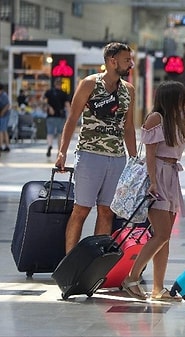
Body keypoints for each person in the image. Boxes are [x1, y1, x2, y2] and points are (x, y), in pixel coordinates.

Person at [55, 42, 137, 253]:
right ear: (112, 61)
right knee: (81, 209)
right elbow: (72, 119)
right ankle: (70, 262)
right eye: (127, 60)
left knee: (107, 211)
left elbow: (128, 127)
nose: (131, 64)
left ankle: (94, 263)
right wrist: (62, 151)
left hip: (117, 158)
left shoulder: (129, 90)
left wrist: (134, 159)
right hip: (90, 155)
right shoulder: (89, 84)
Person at [121, 80, 185, 301]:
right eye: (183, 95)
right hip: (158, 175)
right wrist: (152, 182)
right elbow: (150, 154)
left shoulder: (176, 121)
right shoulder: (156, 119)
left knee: (165, 237)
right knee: (161, 233)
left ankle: (158, 288)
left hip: (170, 175)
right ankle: (132, 277)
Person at [44, 78, 71, 157]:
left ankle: (49, 145)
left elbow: (44, 102)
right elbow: (67, 105)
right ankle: (59, 151)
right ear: (61, 84)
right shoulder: (64, 93)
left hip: (50, 116)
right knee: (60, 134)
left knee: (50, 132)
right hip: (60, 116)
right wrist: (70, 115)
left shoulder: (49, 92)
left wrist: (49, 107)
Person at [0, 84, 11, 152]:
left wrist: (2, 113)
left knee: (1, 130)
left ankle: (1, 145)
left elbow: (7, 105)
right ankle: (7, 145)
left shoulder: (4, 95)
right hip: (2, 115)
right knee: (3, 130)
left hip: (4, 116)